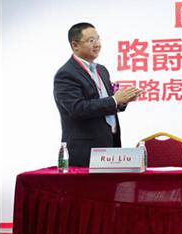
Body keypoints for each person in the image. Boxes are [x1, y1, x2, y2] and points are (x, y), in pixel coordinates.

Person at [54, 22, 141, 167]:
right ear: (75, 45)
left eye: (98, 39)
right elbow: (77, 109)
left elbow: (106, 104)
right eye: (91, 40)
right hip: (85, 150)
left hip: (111, 144)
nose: (97, 44)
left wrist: (122, 101)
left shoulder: (101, 70)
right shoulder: (66, 74)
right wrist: (114, 100)